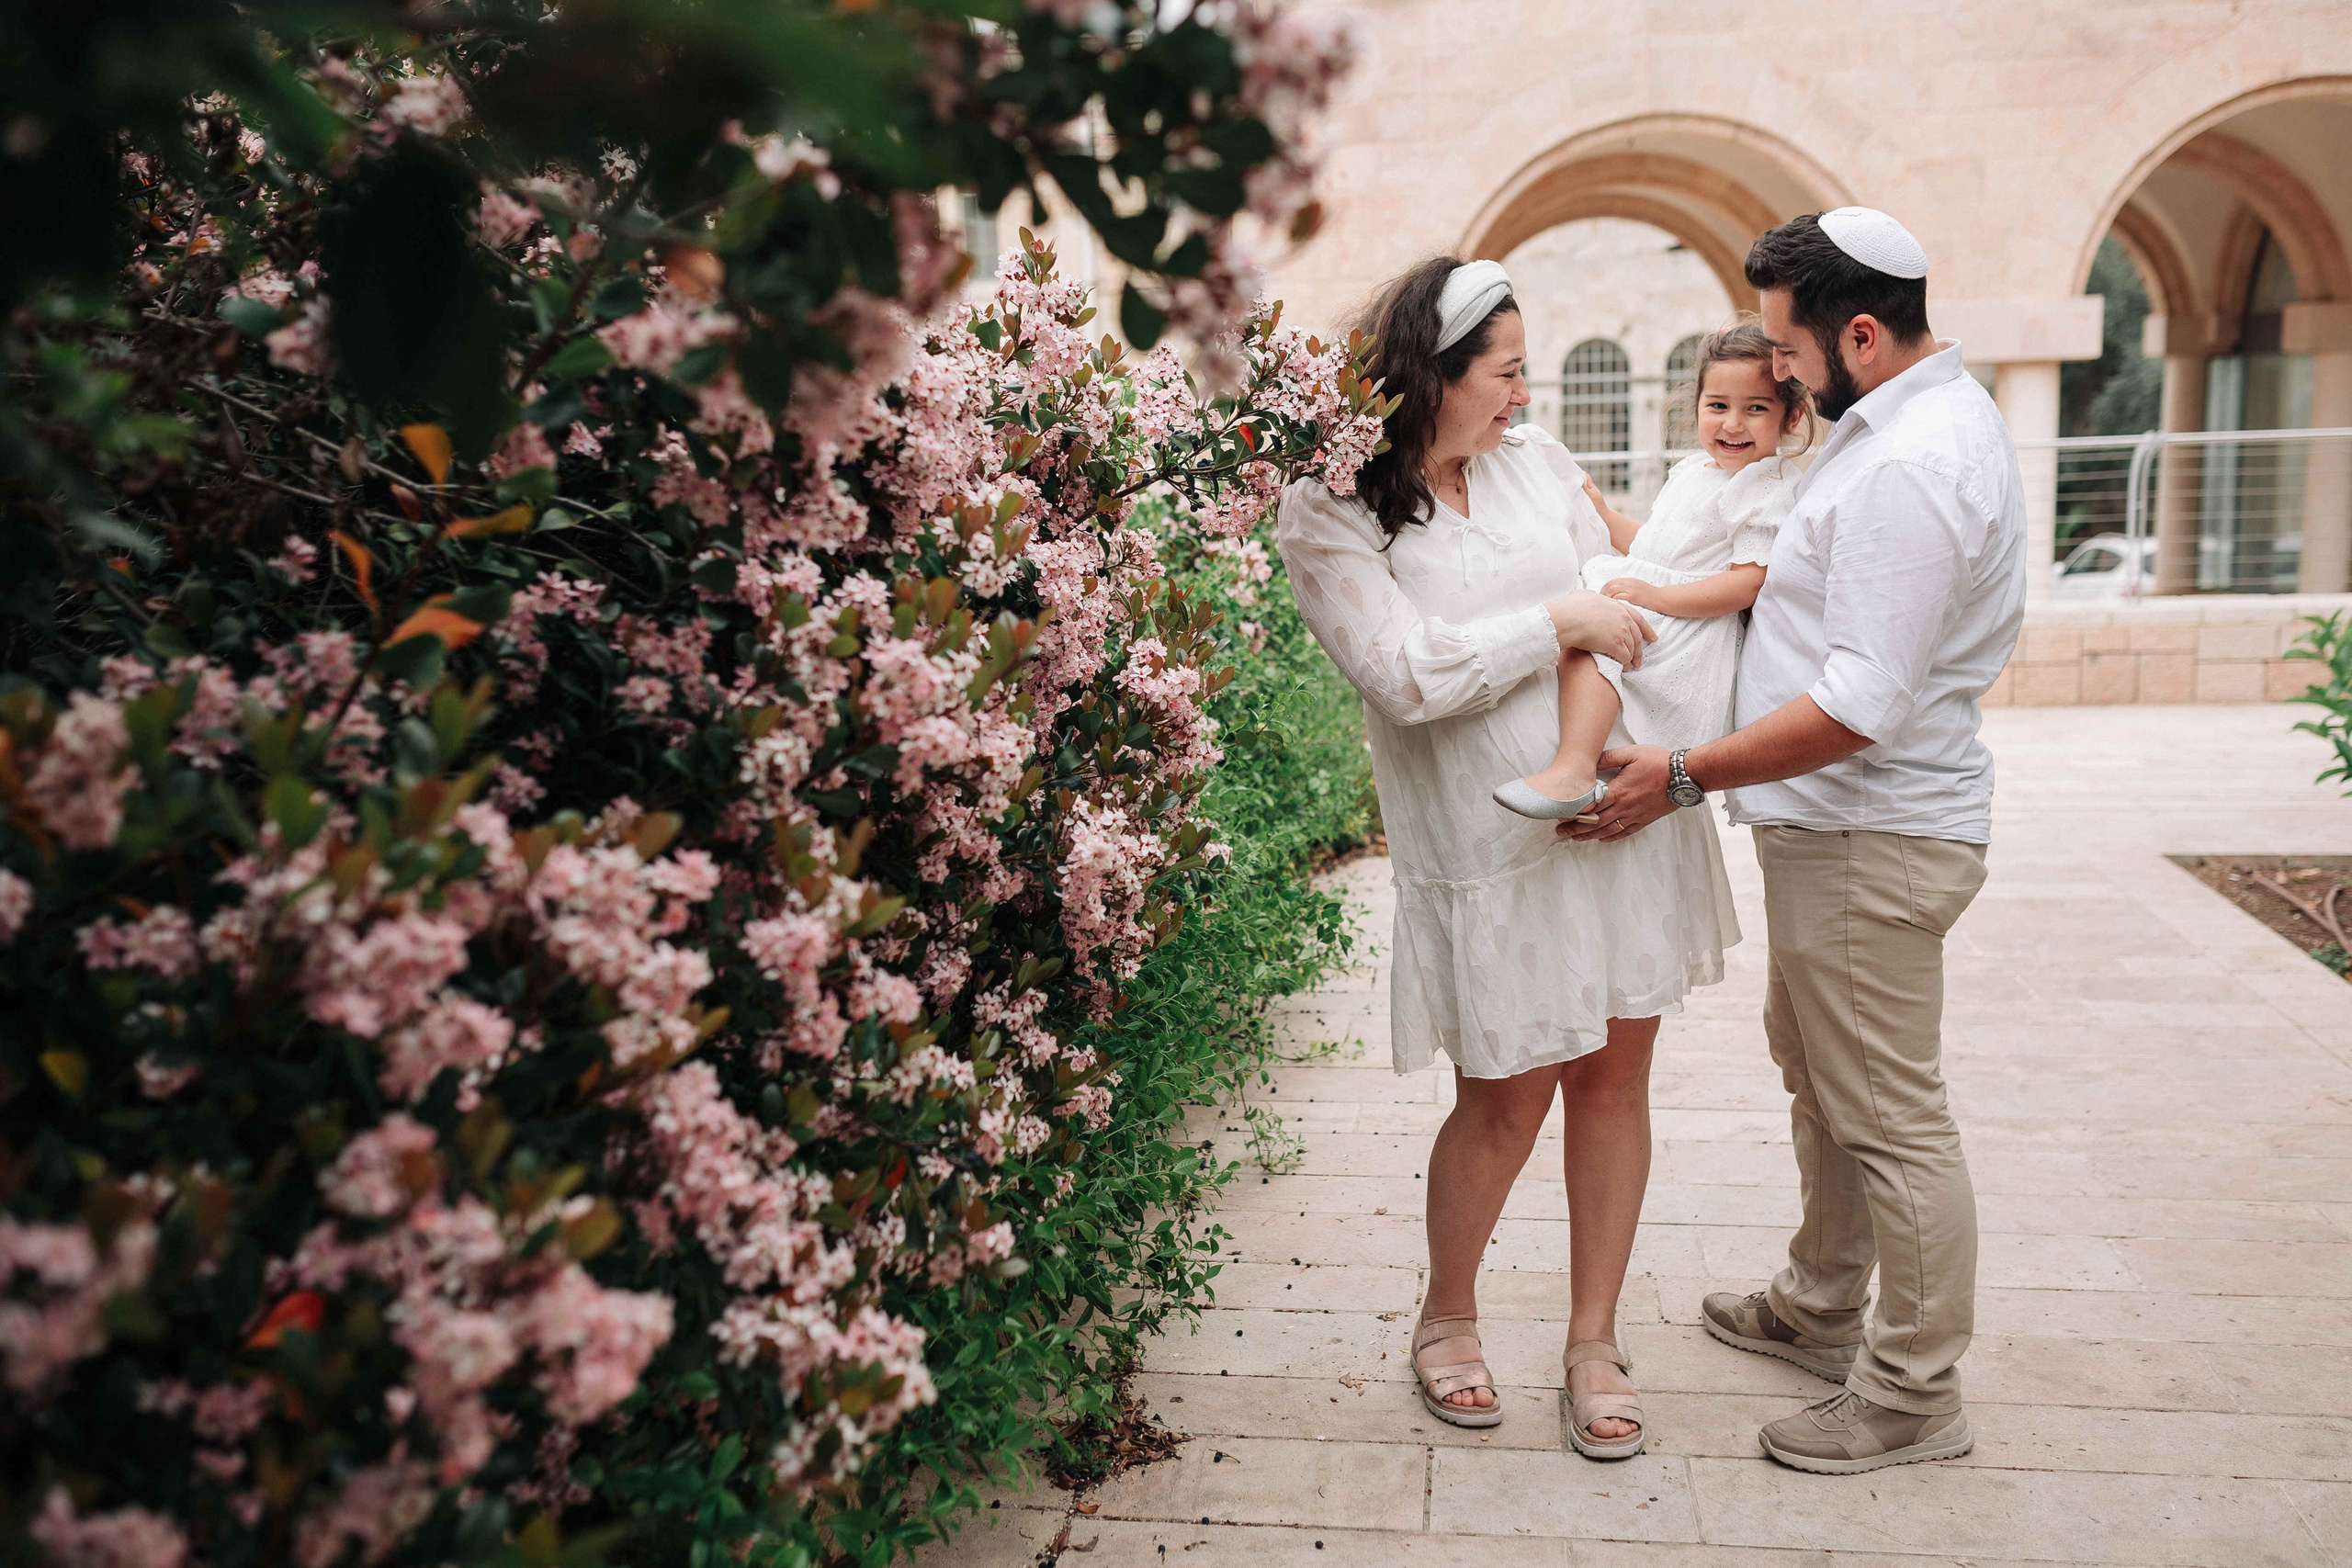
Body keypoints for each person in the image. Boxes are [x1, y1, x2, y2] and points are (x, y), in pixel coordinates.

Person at [1564, 208, 2029, 1474]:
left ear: (1861, 332)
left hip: (1874, 833)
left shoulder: (1905, 467)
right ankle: (1822, 1304)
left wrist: (1680, 771)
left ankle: (1914, 1388)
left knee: (1885, 1108)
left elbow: (1861, 700)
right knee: (1822, 1074)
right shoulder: (1905, 424)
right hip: (1840, 829)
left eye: (1789, 346)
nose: (1777, 372)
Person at [1275, 255, 1739, 1460]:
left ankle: (1595, 1339)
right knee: (1504, 1093)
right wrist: (1558, 623)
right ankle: (1447, 1314)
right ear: (1430, 374)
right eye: (1507, 371)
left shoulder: (1536, 465)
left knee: (1611, 1080)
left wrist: (1662, 743)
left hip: (1620, 813)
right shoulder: (1329, 508)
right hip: (1484, 844)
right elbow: (1404, 673)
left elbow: (1630, 591)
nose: (1524, 396)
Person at [1492, 320, 1808, 820]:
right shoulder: (1690, 471)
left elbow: (1748, 582)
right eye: (1718, 406)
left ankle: (1573, 766)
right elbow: (1661, 549)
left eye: (1756, 409)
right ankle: (1572, 758)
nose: (1732, 424)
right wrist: (1604, 514)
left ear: (1790, 419)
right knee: (1582, 626)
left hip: (1691, 625)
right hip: (1666, 602)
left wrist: (1654, 597)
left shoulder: (1765, 486)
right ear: (1696, 406)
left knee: (1597, 636)